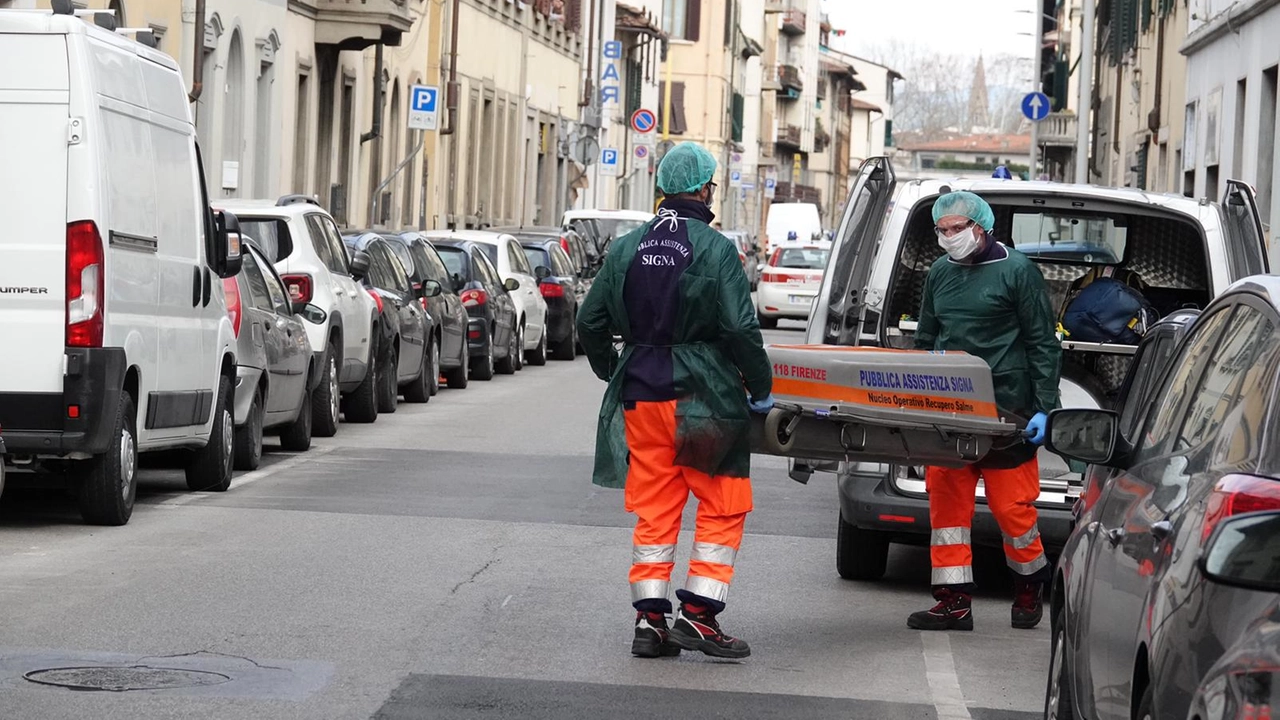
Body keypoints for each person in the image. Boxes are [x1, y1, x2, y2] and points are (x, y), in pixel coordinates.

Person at [576, 142, 774, 660]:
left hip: (641, 391)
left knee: (656, 509)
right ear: (705, 188)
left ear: (663, 187)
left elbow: (589, 322)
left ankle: (649, 621)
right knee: (723, 501)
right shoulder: (713, 248)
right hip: (703, 394)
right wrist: (760, 386)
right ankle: (701, 615)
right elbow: (739, 325)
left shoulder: (625, 248)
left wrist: (610, 370)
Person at [909, 190, 1060, 632]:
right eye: (943, 229)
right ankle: (952, 601)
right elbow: (925, 339)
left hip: (1008, 410)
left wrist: (1045, 409)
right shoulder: (940, 272)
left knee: (1014, 511)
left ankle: (1030, 587)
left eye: (958, 228)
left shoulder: (1017, 272)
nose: (950, 236)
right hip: (951, 410)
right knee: (947, 511)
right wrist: (920, 398)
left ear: (982, 226)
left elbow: (1042, 344)